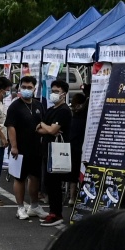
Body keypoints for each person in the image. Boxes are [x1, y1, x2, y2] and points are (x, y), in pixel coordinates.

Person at [35, 81, 75, 227]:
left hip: (57, 151)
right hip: (47, 149)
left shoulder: (64, 110)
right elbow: (39, 129)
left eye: (57, 91)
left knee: (55, 183)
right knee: (48, 183)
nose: (53, 94)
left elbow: (51, 130)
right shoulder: (51, 109)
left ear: (64, 93)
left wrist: (44, 125)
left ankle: (56, 214)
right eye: (52, 91)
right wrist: (46, 127)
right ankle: (52, 211)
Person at [7, 81, 46, 220]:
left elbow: (42, 123)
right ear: (19, 88)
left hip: (36, 148)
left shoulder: (38, 105)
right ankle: (20, 208)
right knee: (20, 178)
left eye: (29, 87)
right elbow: (10, 127)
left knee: (35, 177)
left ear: (35, 89)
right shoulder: (14, 106)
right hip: (19, 149)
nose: (26, 90)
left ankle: (34, 206)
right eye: (24, 87)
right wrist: (14, 146)